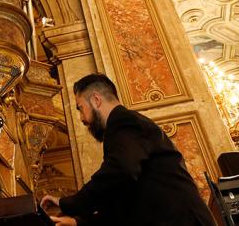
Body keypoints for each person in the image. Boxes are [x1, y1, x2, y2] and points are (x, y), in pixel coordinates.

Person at [40, 74, 216, 225]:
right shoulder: (123, 129)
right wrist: (78, 222)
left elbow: (119, 172)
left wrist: (69, 203)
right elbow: (123, 201)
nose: (81, 118)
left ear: (96, 100)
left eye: (80, 108)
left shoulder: (124, 122)